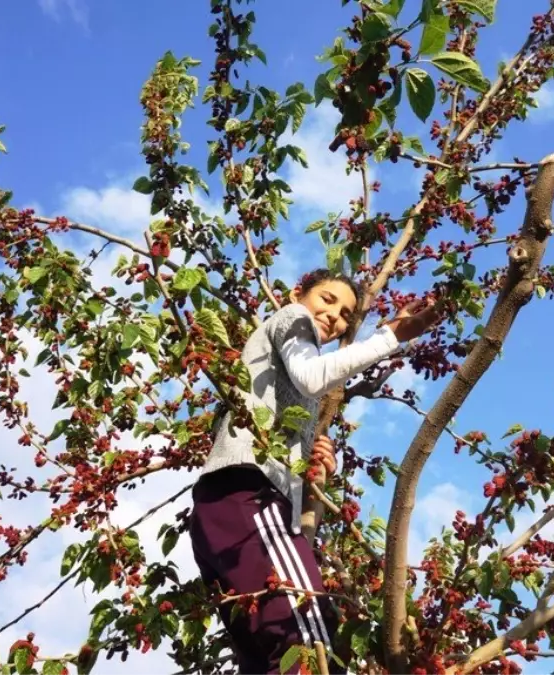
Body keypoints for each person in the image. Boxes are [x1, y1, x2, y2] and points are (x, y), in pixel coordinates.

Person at [188, 268, 441, 674]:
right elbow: (311, 376)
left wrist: (311, 467)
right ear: (296, 294)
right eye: (327, 300)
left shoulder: (284, 372)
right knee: (311, 641)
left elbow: (297, 394)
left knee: (269, 657)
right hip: (248, 496)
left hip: (222, 513)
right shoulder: (291, 318)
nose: (334, 316)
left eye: (345, 314)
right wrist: (392, 335)